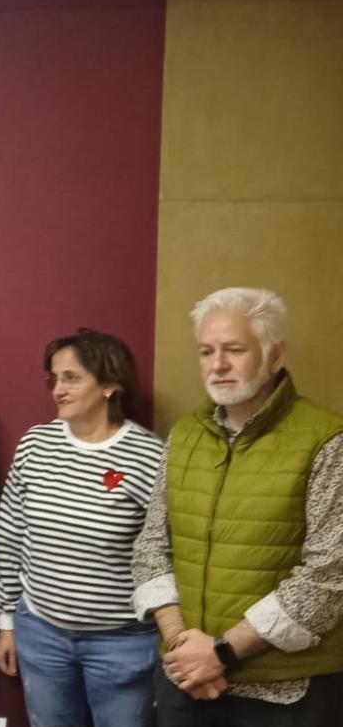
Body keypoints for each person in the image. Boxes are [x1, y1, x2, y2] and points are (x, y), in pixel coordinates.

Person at [132, 287, 343, 726]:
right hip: (188, 682)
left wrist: (222, 652)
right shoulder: (185, 433)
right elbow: (151, 545)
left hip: (285, 694)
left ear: (274, 355)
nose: (218, 364)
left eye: (234, 349)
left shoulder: (326, 439)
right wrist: (182, 647)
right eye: (206, 351)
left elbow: (328, 577)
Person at [0, 329, 164, 727]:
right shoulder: (36, 444)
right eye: (54, 378)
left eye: (72, 378)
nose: (58, 390)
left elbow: (164, 554)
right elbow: (12, 536)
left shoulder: (149, 456)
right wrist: (6, 622)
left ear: (109, 384)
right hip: (41, 633)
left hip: (123, 643)